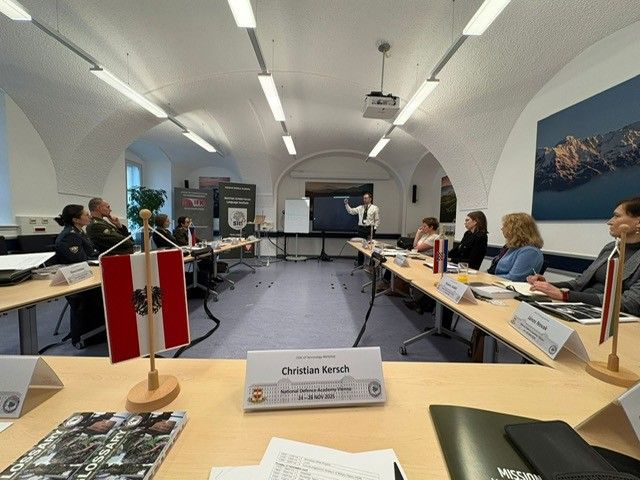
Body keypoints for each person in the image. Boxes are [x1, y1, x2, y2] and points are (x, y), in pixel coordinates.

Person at [528, 197, 640, 315]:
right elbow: (579, 283)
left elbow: (630, 303)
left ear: (638, 222)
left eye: (617, 216)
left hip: (611, 317)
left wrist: (565, 295)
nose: (609, 222)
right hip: (583, 306)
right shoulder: (610, 247)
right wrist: (546, 286)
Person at [54, 205, 105, 348]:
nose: (90, 216)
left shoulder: (79, 232)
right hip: (78, 281)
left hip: (87, 275)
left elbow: (91, 253)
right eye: (86, 214)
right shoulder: (70, 236)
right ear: (76, 219)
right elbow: (81, 261)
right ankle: (90, 336)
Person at [492, 213, 544, 281]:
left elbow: (514, 278)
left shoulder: (530, 252)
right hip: (498, 283)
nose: (502, 229)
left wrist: (488, 278)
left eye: (505, 226)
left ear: (516, 229)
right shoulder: (513, 247)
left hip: (508, 286)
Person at [345, 192, 380, 266]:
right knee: (360, 247)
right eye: (363, 198)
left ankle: (371, 264)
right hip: (361, 229)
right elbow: (351, 211)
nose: (364, 200)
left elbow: (377, 220)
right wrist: (346, 204)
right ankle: (360, 263)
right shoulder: (360, 207)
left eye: (366, 198)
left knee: (371, 247)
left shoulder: (374, 208)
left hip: (370, 229)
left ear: (370, 199)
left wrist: (374, 229)